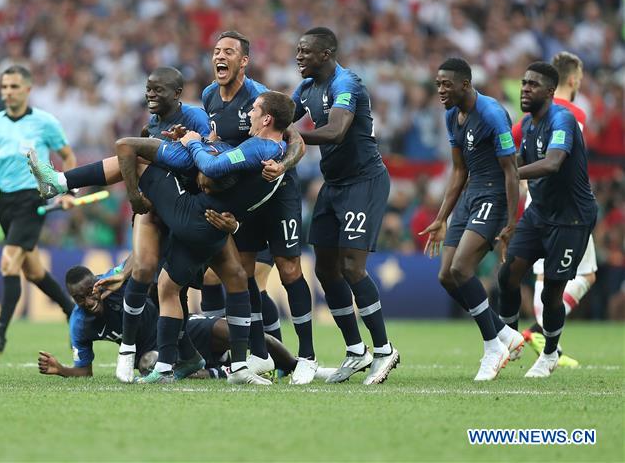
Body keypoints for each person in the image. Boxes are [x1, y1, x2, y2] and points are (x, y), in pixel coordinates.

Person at [29, 66, 212, 382]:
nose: (150, 94)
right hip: (159, 209)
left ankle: (246, 359)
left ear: (177, 93)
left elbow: (208, 157)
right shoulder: (153, 124)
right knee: (154, 280)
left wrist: (137, 192)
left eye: (158, 89)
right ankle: (172, 357)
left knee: (231, 277)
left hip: (188, 206)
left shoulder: (195, 118)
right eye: (148, 88)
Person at [115, 91, 297, 385]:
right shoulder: (276, 153)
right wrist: (211, 144)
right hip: (219, 225)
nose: (248, 114)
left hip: (197, 216)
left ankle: (160, 365)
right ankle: (238, 367)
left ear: (266, 118)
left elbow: (211, 168)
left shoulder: (259, 147)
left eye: (254, 110)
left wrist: (193, 143)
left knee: (135, 157)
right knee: (236, 278)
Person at [201, 31, 316, 384]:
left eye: (229, 51)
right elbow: (216, 140)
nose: (220, 57)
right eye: (217, 50)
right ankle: (262, 354)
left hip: (277, 193)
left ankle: (307, 357)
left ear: (243, 61)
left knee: (290, 269)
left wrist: (283, 165)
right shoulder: (209, 96)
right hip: (245, 200)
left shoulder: (260, 98)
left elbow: (295, 140)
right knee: (243, 272)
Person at [293, 27, 399, 385]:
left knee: (353, 267)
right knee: (325, 268)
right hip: (334, 185)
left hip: (364, 182)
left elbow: (336, 131)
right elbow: (279, 118)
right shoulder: (306, 88)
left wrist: (289, 136)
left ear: (326, 54)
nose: (298, 57)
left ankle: (383, 349)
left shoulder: (346, 83)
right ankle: (356, 350)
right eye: (297, 51)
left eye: (305, 52)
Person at [38, 263, 332, 380]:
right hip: (150, 352)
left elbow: (141, 259)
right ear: (73, 300)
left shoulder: (114, 283)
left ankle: (298, 367)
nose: (89, 301)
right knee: (151, 364)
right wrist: (61, 370)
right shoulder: (79, 324)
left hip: (180, 326)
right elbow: (85, 371)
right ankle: (223, 372)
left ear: (96, 285)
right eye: (80, 299)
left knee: (240, 333)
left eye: (90, 293)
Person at [418, 58, 525, 381]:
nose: (440, 90)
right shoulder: (452, 115)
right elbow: (460, 171)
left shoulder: (492, 114)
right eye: (437, 84)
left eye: (446, 84)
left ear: (465, 84)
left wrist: (509, 223)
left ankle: (493, 345)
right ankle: (503, 333)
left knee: (462, 269)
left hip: (493, 195)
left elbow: (511, 171)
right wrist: (441, 218)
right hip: (469, 196)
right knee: (446, 276)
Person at [0, 65, 77, 355]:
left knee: (8, 263)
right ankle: (73, 311)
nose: (7, 92)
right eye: (4, 87)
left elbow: (67, 156)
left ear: (27, 89)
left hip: (32, 198)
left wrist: (68, 191)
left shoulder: (45, 122)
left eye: (14, 87)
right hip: (4, 201)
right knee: (33, 271)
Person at [497, 62, 598, 378]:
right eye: (524, 83)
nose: (525, 89)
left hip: (571, 219)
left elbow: (553, 163)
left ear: (551, 91)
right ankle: (509, 339)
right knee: (507, 275)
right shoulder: (527, 124)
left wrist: (511, 172)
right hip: (539, 213)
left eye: (533, 85)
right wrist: (511, 220)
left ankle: (550, 352)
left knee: (550, 293)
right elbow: (515, 162)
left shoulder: (563, 120)